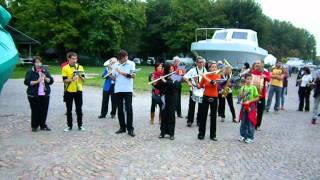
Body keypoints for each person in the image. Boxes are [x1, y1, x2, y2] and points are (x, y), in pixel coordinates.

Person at [24, 56, 54, 132]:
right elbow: (27, 82)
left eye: (39, 62)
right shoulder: (30, 72)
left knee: (44, 110)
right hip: (33, 94)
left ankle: (43, 125)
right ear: (34, 63)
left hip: (44, 94)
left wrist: (46, 78)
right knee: (35, 110)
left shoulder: (45, 70)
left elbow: (51, 81)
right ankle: (34, 126)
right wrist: (37, 81)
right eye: (36, 62)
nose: (38, 63)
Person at [112, 50, 136, 137]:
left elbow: (132, 76)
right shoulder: (115, 65)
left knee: (129, 108)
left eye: (127, 56)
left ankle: (130, 129)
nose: (126, 58)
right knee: (120, 109)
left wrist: (120, 72)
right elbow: (115, 78)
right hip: (118, 89)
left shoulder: (131, 64)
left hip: (128, 89)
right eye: (124, 57)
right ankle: (122, 127)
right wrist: (110, 74)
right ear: (120, 58)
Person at [62, 52, 86, 132]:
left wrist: (80, 75)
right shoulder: (65, 68)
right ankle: (69, 126)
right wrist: (72, 79)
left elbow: (84, 80)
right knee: (69, 109)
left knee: (79, 109)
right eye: (73, 58)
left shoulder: (80, 67)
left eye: (76, 58)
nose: (74, 60)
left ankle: (80, 125)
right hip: (69, 91)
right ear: (68, 59)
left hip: (78, 90)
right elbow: (64, 80)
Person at [197, 62, 220, 141]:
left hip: (214, 97)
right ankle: (201, 134)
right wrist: (196, 80)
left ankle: (213, 135)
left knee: (213, 116)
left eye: (215, 67)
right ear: (209, 68)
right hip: (206, 96)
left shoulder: (217, 76)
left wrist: (205, 77)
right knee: (203, 116)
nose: (214, 68)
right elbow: (199, 86)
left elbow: (213, 83)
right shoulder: (205, 75)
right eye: (212, 67)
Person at [155, 63, 178, 140]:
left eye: (173, 69)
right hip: (164, 98)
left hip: (172, 97)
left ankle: (171, 133)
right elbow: (158, 86)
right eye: (170, 69)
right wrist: (155, 83)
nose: (172, 70)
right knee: (163, 114)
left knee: (171, 115)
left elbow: (175, 86)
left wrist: (166, 81)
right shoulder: (164, 76)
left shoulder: (175, 76)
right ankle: (162, 132)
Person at [183, 56, 207, 127]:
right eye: (199, 62)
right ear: (196, 63)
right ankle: (190, 121)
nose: (201, 64)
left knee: (201, 106)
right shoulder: (192, 70)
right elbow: (185, 77)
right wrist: (189, 82)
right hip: (193, 89)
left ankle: (199, 121)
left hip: (202, 90)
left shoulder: (205, 70)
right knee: (192, 106)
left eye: (202, 62)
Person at [238, 75, 260, 143]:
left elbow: (257, 97)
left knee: (251, 121)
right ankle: (243, 135)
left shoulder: (253, 87)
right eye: (247, 79)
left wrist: (250, 101)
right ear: (245, 80)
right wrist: (242, 94)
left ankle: (250, 137)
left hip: (251, 106)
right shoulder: (243, 87)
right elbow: (240, 97)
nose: (249, 80)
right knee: (243, 121)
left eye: (250, 79)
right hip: (244, 105)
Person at [251, 60, 270, 131]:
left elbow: (269, 79)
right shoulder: (252, 72)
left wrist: (265, 76)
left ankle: (258, 125)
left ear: (262, 64)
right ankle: (252, 123)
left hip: (261, 95)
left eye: (258, 63)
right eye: (256, 63)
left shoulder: (265, 72)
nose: (257, 64)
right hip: (253, 95)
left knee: (260, 111)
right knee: (252, 110)